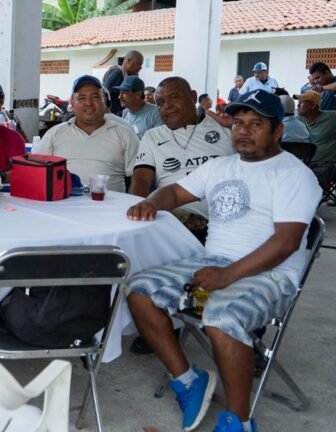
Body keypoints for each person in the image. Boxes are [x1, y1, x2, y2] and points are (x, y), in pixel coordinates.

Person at [126, 90, 320, 432]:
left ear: (278, 131)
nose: (244, 131)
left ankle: (239, 421)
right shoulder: (220, 166)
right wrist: (153, 202)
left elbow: (286, 243)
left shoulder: (294, 175)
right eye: (239, 123)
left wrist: (227, 275)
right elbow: (173, 192)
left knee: (221, 316)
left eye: (256, 124)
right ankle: (188, 380)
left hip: (271, 275)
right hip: (214, 262)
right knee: (139, 291)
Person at [130, 76, 235, 245]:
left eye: (173, 97)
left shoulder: (224, 129)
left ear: (193, 96)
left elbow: (265, 157)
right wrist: (136, 210)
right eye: (160, 102)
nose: (167, 106)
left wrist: (236, 125)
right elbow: (141, 179)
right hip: (171, 220)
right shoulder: (152, 136)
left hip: (226, 221)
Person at [34, 75, 139, 192]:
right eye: (82, 98)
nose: (89, 103)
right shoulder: (55, 134)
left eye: (95, 97)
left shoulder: (125, 134)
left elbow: (139, 177)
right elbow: (37, 171)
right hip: (62, 205)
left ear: (105, 103)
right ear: (72, 105)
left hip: (108, 207)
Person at [102, 50, 144, 116]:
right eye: (139, 64)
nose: (140, 67)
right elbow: (104, 92)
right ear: (129, 61)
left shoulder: (127, 76)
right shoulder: (118, 73)